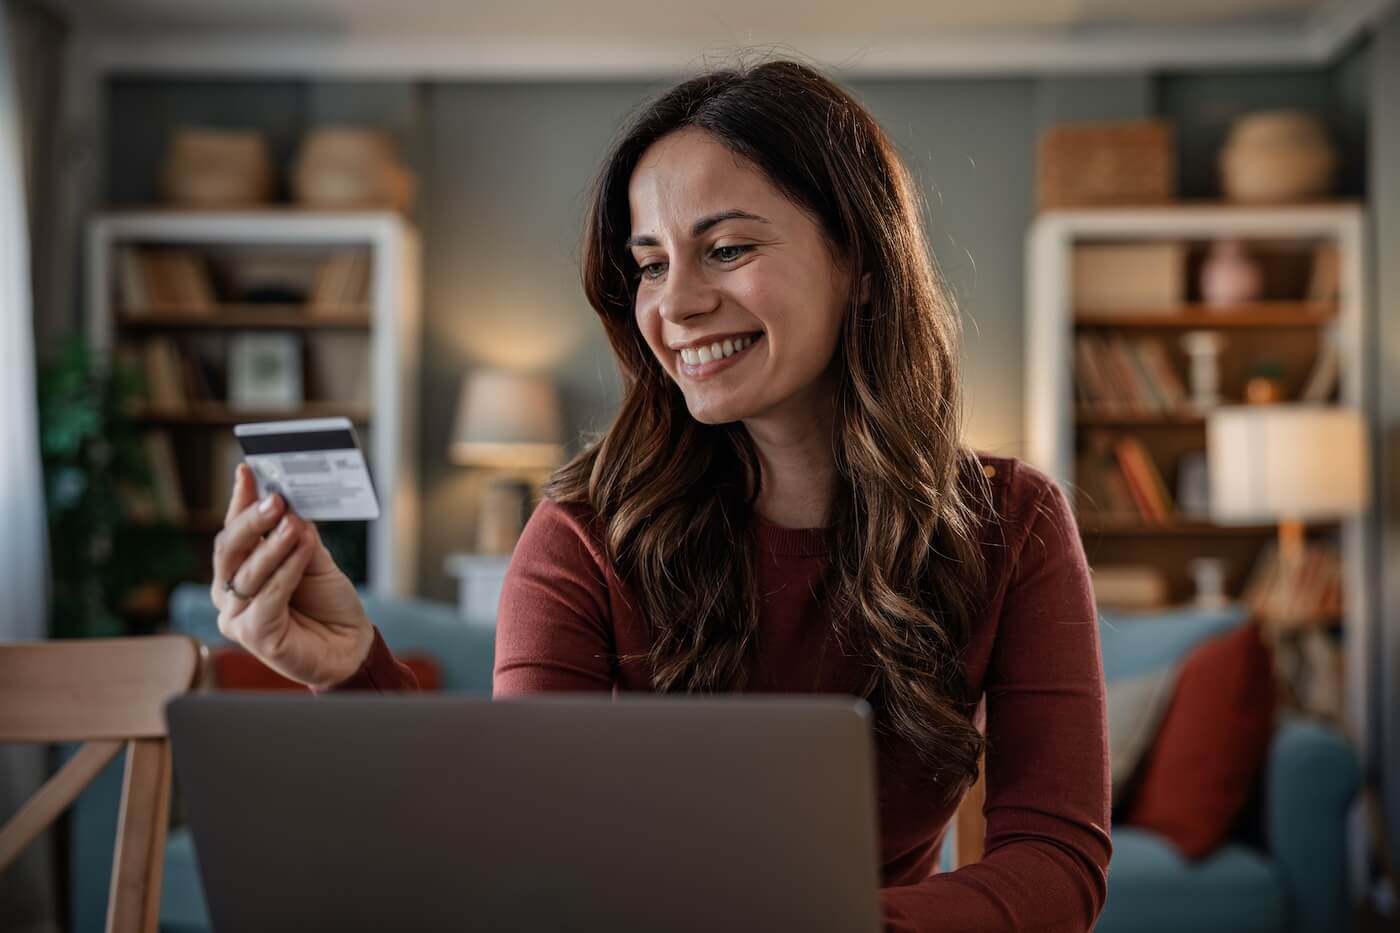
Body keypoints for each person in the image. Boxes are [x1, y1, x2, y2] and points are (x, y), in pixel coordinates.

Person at [210, 59, 1112, 932]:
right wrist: (352, 669)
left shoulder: (1013, 522)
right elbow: (513, 848)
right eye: (648, 264)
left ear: (863, 264)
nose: (674, 304)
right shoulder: (583, 536)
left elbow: (1059, 862)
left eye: (726, 248)